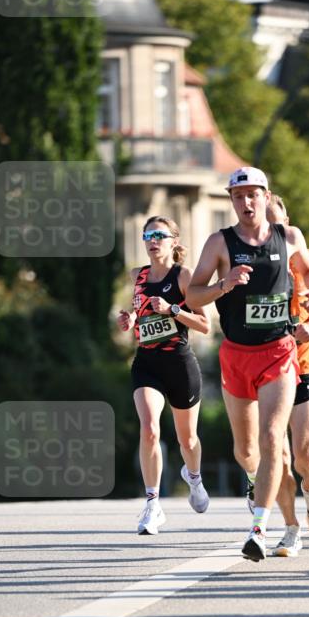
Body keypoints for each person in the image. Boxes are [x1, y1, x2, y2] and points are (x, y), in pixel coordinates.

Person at [187, 167, 309, 562]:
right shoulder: (220, 242)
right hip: (235, 355)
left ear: (267, 196)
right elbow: (193, 296)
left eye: (253, 195)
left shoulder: (289, 237)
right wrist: (223, 285)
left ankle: (261, 529)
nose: (246, 203)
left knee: (271, 439)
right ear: (231, 200)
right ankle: (270, 500)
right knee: (247, 452)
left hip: (279, 352)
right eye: (238, 196)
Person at [117, 216, 210, 534]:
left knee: (188, 439)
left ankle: (193, 477)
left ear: (173, 241)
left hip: (180, 365)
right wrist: (130, 319)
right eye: (147, 235)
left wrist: (172, 309)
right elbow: (140, 312)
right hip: (147, 363)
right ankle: (153, 504)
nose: (152, 240)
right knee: (150, 429)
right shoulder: (137, 275)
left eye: (159, 235)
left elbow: (205, 325)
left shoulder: (184, 276)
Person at [265, 195, 309, 556]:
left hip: (303, 361)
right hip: (266, 364)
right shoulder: (250, 258)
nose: (273, 232)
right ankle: (291, 528)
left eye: (278, 224)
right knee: (277, 451)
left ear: (288, 223)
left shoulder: (307, 257)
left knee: (305, 455)